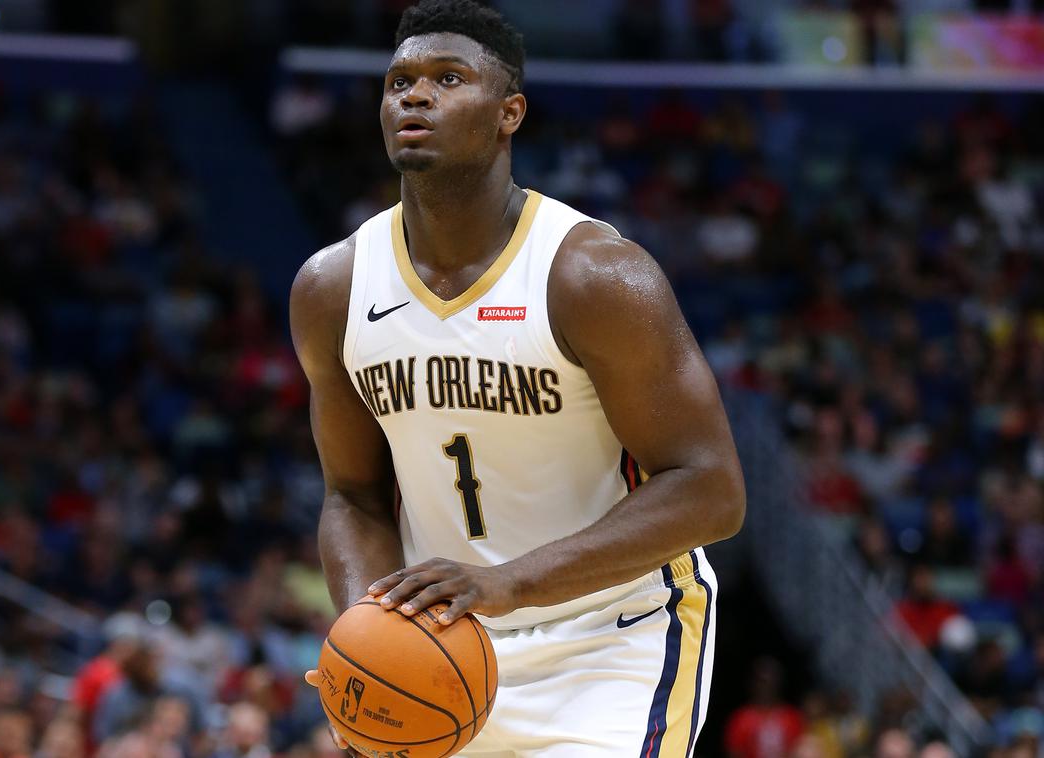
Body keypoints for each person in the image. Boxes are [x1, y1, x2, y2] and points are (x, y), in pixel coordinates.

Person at [289, 0, 746, 754]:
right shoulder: (333, 287)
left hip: (610, 642)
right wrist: (362, 629)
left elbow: (711, 490)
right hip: (442, 650)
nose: (415, 95)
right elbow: (353, 494)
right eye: (399, 80)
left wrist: (511, 584)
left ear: (509, 113)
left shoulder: (593, 276)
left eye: (447, 77)